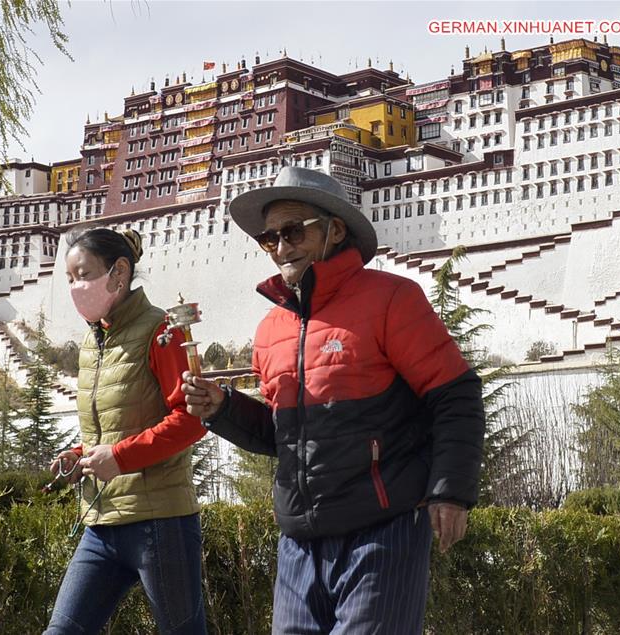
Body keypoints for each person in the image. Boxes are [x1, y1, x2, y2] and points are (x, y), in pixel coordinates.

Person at [182, 166, 485, 634]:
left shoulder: (392, 299)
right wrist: (222, 408)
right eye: (270, 238)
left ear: (335, 230)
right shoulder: (269, 331)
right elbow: (279, 437)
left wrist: (451, 491)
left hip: (385, 533)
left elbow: (456, 395)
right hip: (298, 544)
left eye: (293, 231)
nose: (281, 247)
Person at [43, 227, 208, 635]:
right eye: (69, 279)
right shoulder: (92, 342)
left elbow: (191, 420)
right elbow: (117, 426)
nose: (75, 287)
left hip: (161, 522)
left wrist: (118, 458)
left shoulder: (162, 330)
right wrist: (81, 453)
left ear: (119, 273)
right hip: (100, 523)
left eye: (82, 275)